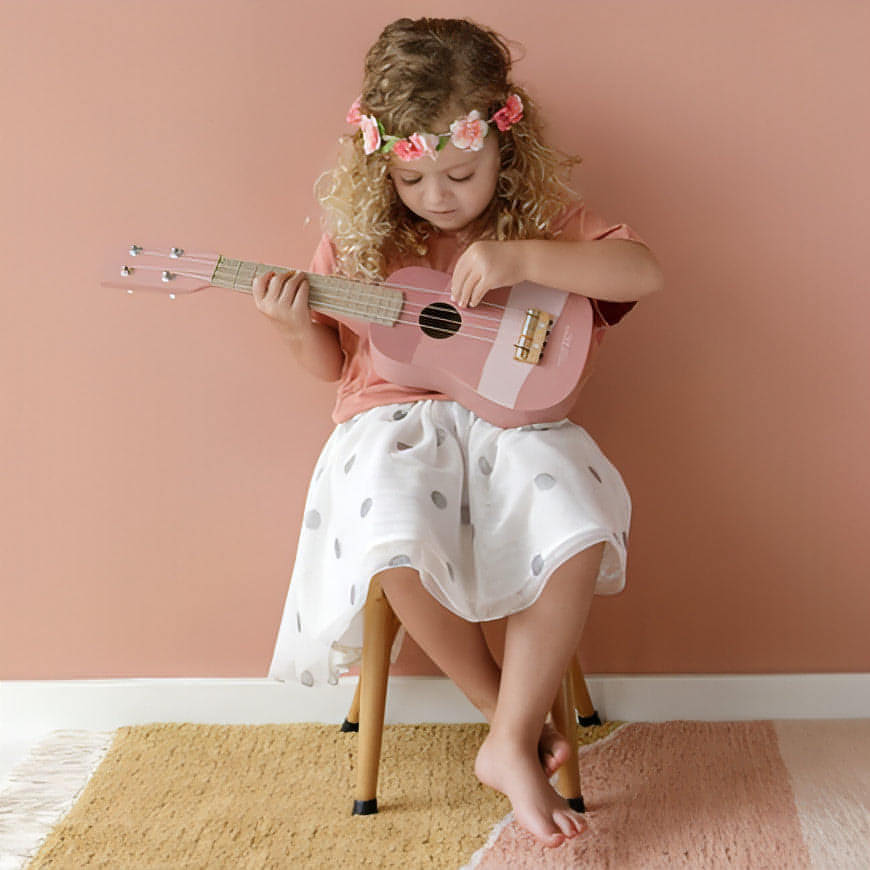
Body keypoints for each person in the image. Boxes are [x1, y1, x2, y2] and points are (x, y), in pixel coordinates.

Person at [258, 17, 662, 847]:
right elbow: (333, 367)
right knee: (387, 523)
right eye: (412, 179)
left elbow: (641, 272)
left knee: (576, 516)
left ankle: (512, 738)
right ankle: (503, 727)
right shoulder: (367, 242)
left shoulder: (540, 219)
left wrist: (522, 259)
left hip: (510, 423)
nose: (437, 197)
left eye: (460, 173)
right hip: (391, 421)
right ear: (381, 166)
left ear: (504, 149)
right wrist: (292, 324)